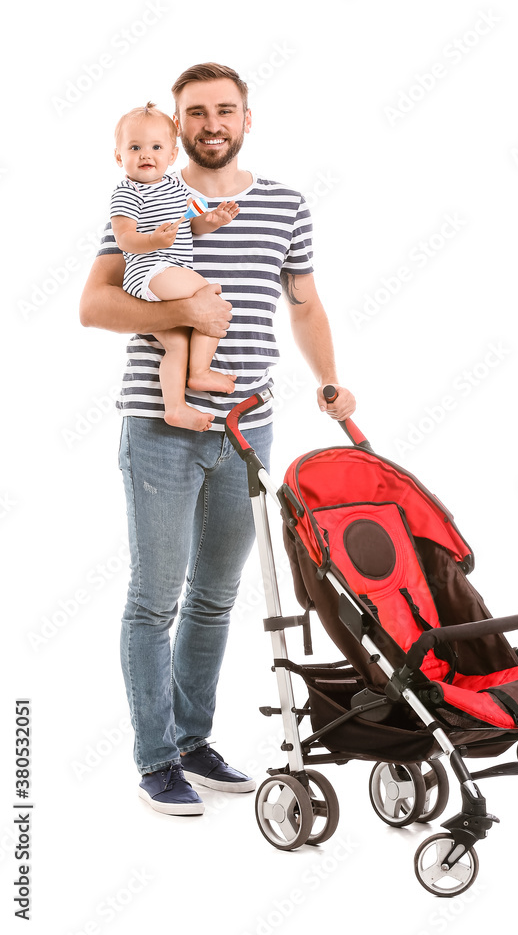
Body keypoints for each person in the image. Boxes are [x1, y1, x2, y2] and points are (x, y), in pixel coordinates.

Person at [80, 62, 355, 816]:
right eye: (195, 111)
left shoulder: (285, 205)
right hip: (159, 425)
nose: (210, 122)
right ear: (175, 127)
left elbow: (303, 304)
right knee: (154, 598)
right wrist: (188, 317)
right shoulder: (147, 201)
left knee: (215, 596)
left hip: (248, 428)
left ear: (246, 118)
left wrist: (331, 379)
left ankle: (194, 741)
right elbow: (94, 306)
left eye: (224, 109)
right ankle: (155, 758)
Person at [112, 101, 241, 432]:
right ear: (119, 157)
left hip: (164, 272)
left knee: (176, 342)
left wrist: (212, 220)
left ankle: (176, 408)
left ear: (171, 155)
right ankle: (200, 372)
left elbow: (190, 226)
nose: (146, 154)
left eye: (156, 147)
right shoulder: (128, 191)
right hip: (152, 270)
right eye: (135, 147)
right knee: (208, 296)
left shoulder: (176, 187)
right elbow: (125, 238)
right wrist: (153, 241)